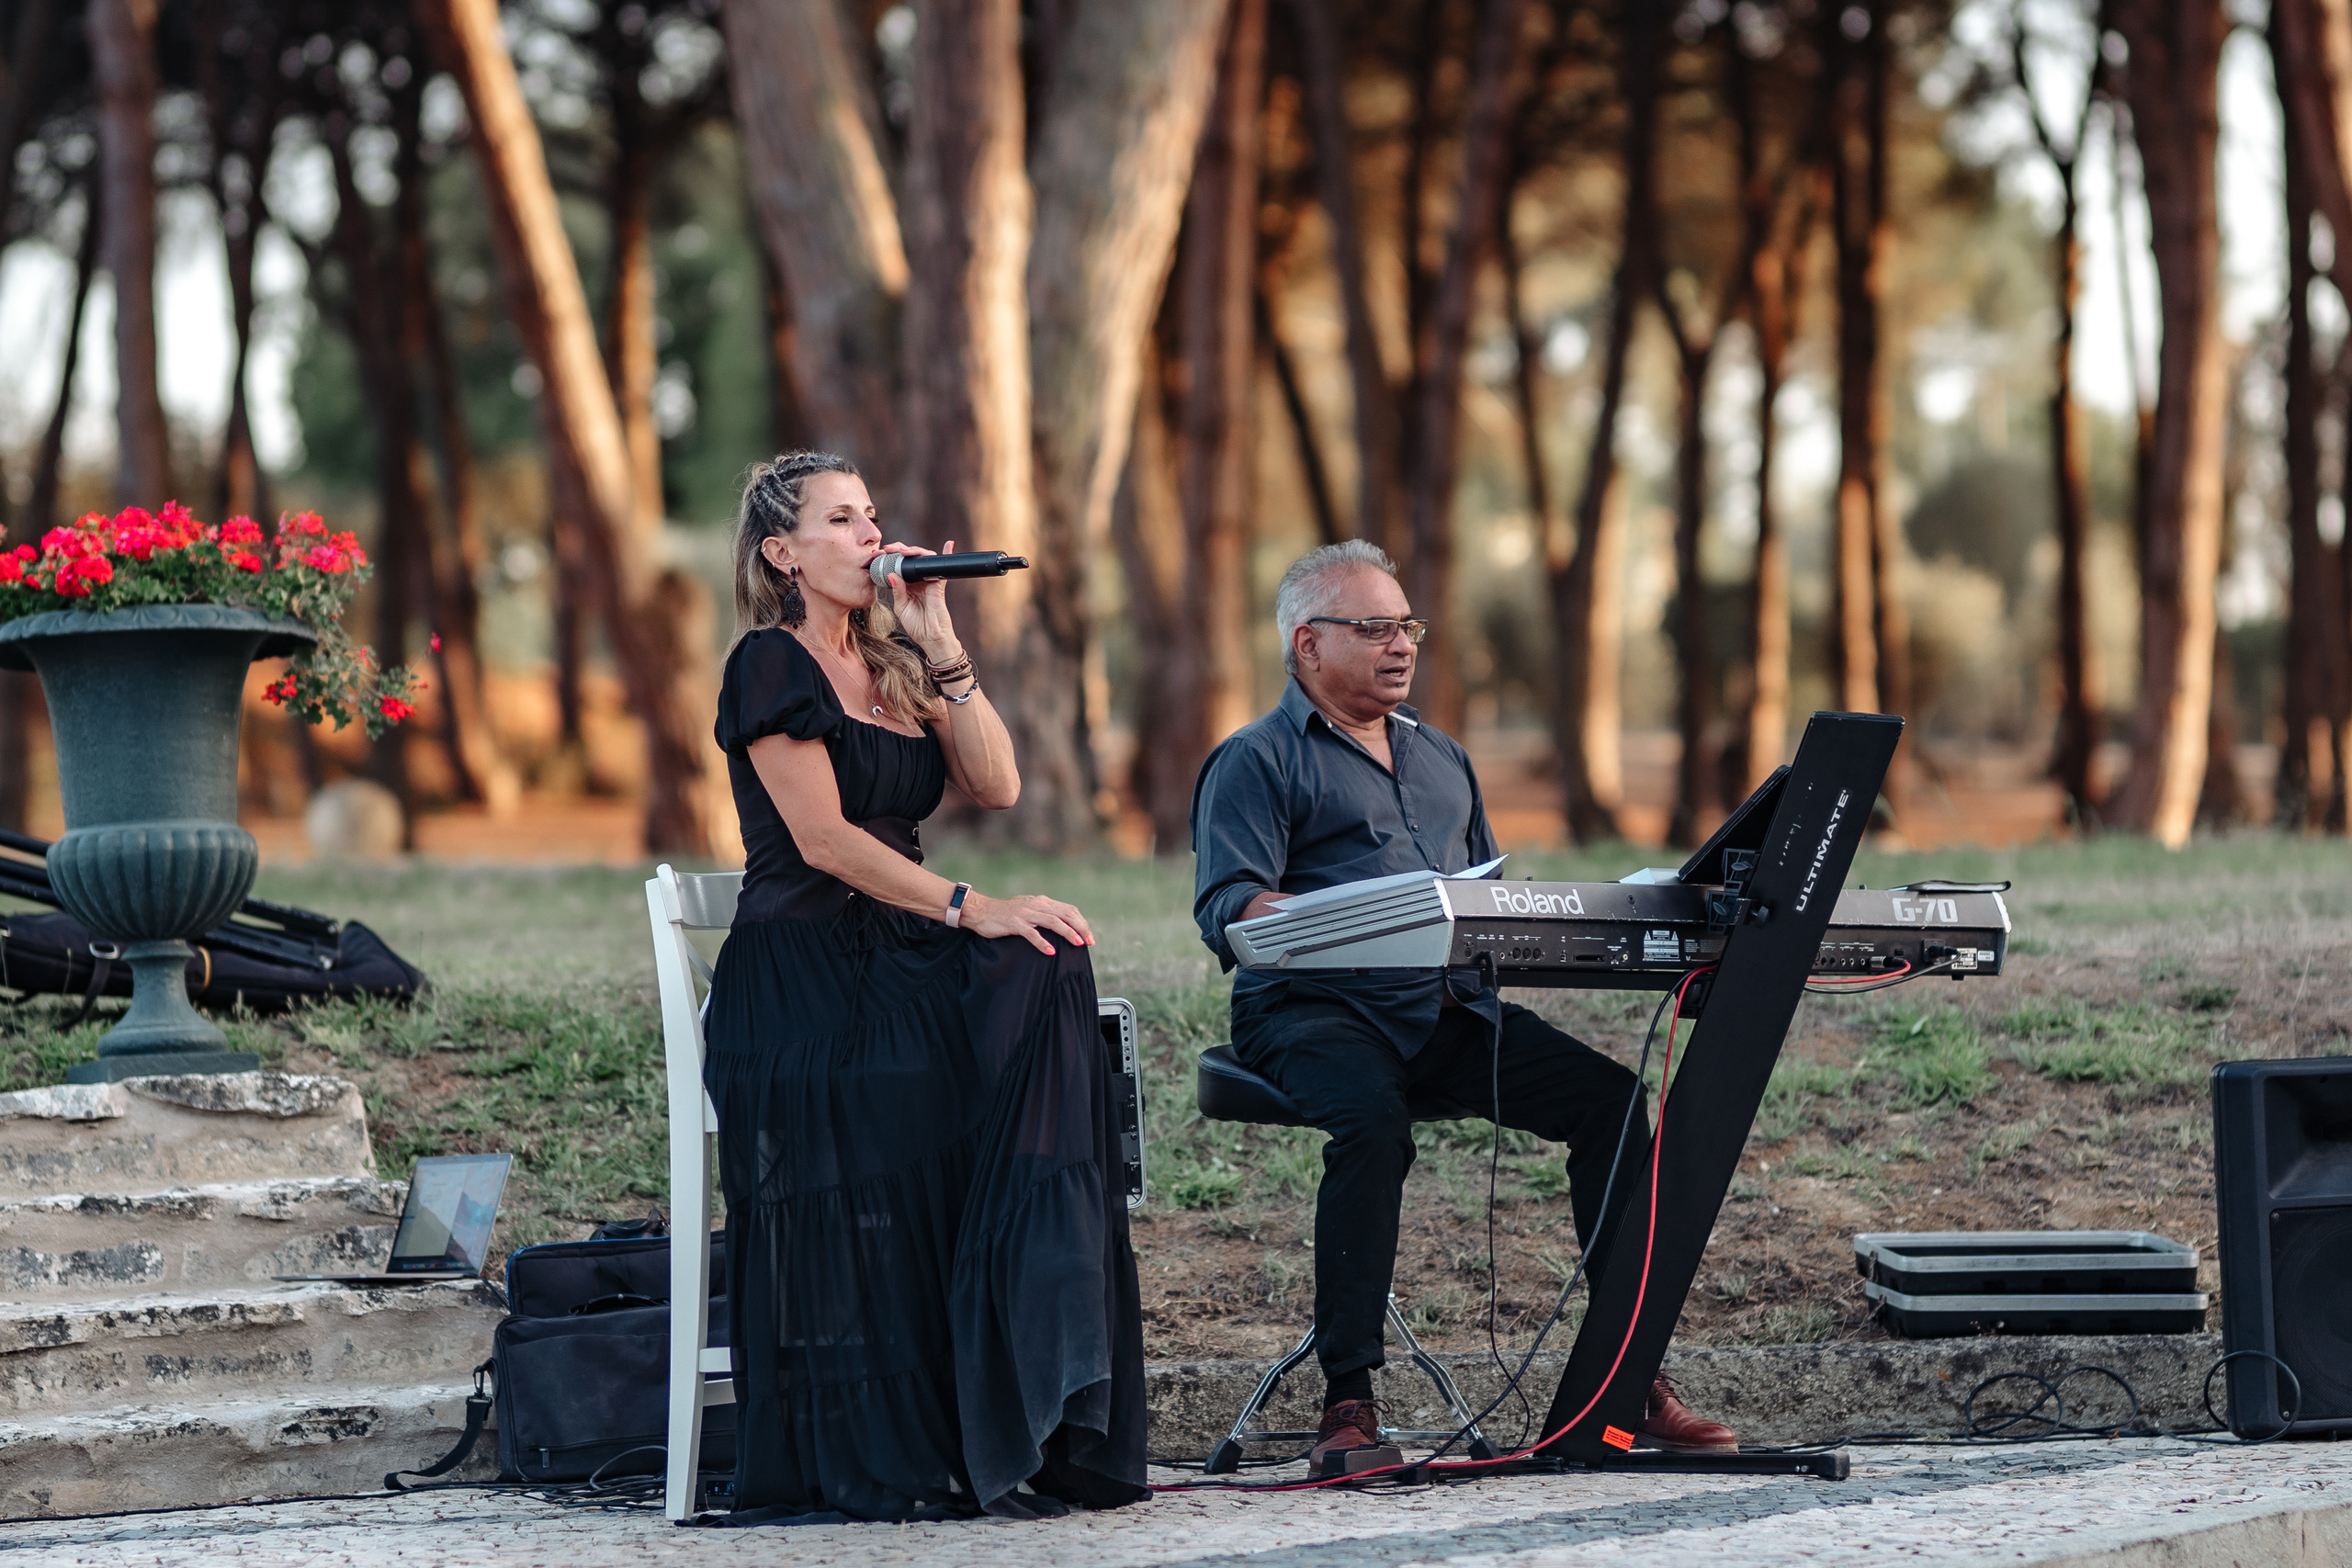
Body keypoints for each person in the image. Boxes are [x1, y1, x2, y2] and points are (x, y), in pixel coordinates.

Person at [1189, 540, 1737, 1475]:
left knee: (1609, 1102)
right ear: (1307, 644)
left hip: (1445, 1010)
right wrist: (1365, 914)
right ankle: (1348, 1403)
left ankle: (1628, 1381)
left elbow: (1483, 897)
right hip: (1312, 1011)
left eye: (1406, 625)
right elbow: (1228, 909)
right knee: (1372, 1124)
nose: (1401, 644)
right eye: (1374, 628)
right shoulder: (1255, 759)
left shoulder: (1442, 757)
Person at [701, 450, 1147, 1523]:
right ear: (782, 553)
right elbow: (821, 840)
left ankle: (1027, 1391)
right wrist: (967, 906)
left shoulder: (896, 662)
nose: (871, 535)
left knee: (1052, 956)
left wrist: (941, 643)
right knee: (979, 994)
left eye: (871, 515)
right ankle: (930, 1422)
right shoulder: (767, 663)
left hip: (901, 957)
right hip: (803, 977)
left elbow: (998, 783)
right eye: (841, 520)